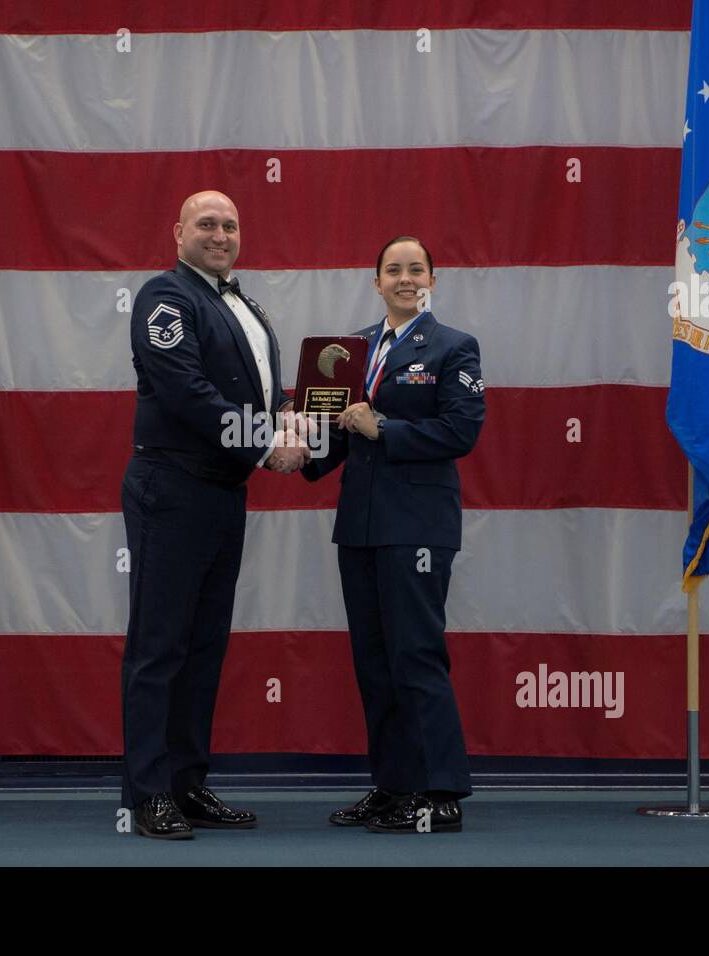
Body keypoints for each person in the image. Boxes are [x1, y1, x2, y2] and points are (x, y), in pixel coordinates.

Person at [121, 190, 309, 839]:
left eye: (230, 224)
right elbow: (187, 394)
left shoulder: (247, 307)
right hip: (172, 488)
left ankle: (186, 783)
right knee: (159, 647)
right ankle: (148, 794)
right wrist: (266, 444)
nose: (221, 234)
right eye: (207, 223)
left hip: (223, 493)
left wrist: (299, 424)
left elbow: (268, 395)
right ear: (178, 232)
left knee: (203, 649)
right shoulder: (164, 298)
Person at [302, 236, 485, 832]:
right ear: (374, 280)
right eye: (394, 270)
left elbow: (460, 431)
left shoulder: (455, 347)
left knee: (416, 656)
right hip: (360, 526)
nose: (406, 279)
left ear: (433, 278)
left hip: (419, 528)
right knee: (375, 662)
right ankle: (393, 787)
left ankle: (441, 792)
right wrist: (295, 451)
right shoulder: (350, 349)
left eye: (417, 269)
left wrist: (386, 429)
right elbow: (340, 429)